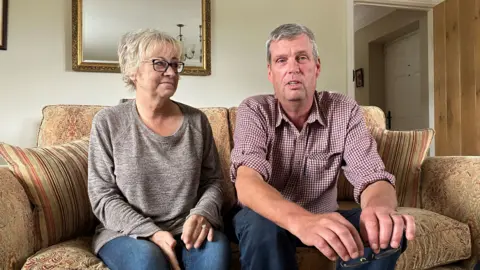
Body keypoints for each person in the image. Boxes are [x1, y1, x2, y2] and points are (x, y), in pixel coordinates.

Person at [227, 23, 415, 270]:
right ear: (270, 72)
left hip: (324, 217)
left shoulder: (344, 110)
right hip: (265, 219)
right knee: (262, 227)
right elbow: (247, 183)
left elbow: (372, 176)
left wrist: (379, 208)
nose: (293, 68)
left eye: (301, 58)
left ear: (316, 67)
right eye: (281, 60)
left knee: (389, 229)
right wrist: (302, 222)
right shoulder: (254, 110)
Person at [87, 29, 230, 270]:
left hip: (188, 230)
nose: (172, 72)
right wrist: (151, 233)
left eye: (175, 64)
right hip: (127, 232)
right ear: (133, 70)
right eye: (160, 64)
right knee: (147, 260)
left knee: (215, 254)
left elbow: (213, 182)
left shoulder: (197, 122)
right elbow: (102, 195)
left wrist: (202, 214)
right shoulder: (109, 122)